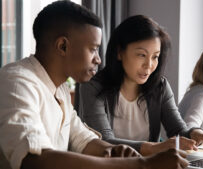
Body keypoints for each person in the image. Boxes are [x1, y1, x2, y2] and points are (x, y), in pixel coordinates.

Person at [0, 1, 189, 169]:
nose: (98, 59)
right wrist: (143, 164)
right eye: (93, 49)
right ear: (62, 46)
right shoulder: (18, 83)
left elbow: (83, 140)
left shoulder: (60, 89)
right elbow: (34, 160)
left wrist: (116, 152)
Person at [78, 15, 203, 156]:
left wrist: (195, 132)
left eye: (155, 56)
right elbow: (104, 142)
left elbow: (178, 130)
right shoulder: (93, 87)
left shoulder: (160, 87)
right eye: (141, 55)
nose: (149, 65)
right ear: (119, 52)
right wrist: (154, 148)